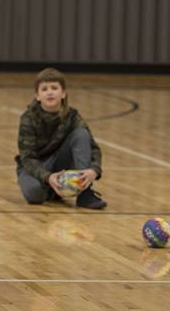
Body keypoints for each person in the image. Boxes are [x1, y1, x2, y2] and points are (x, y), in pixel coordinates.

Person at [15, 68, 106, 209]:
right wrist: (47, 177)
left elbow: (93, 147)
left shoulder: (72, 116)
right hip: (36, 165)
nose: (50, 92)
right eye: (44, 89)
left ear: (63, 93)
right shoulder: (28, 119)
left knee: (81, 134)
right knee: (34, 195)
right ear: (37, 96)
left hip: (60, 162)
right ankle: (53, 188)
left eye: (54, 88)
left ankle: (85, 194)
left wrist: (94, 170)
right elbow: (27, 158)